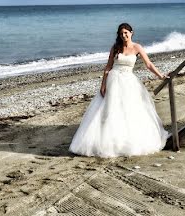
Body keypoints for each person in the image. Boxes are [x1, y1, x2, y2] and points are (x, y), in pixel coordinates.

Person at [69, 23, 170, 157]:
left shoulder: (137, 47)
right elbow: (108, 67)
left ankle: (128, 141)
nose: (123, 35)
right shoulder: (116, 48)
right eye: (121, 33)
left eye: (126, 33)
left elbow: (149, 64)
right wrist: (103, 85)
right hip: (114, 80)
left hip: (129, 81)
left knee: (130, 110)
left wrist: (161, 75)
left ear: (131, 32)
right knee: (111, 110)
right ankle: (107, 142)